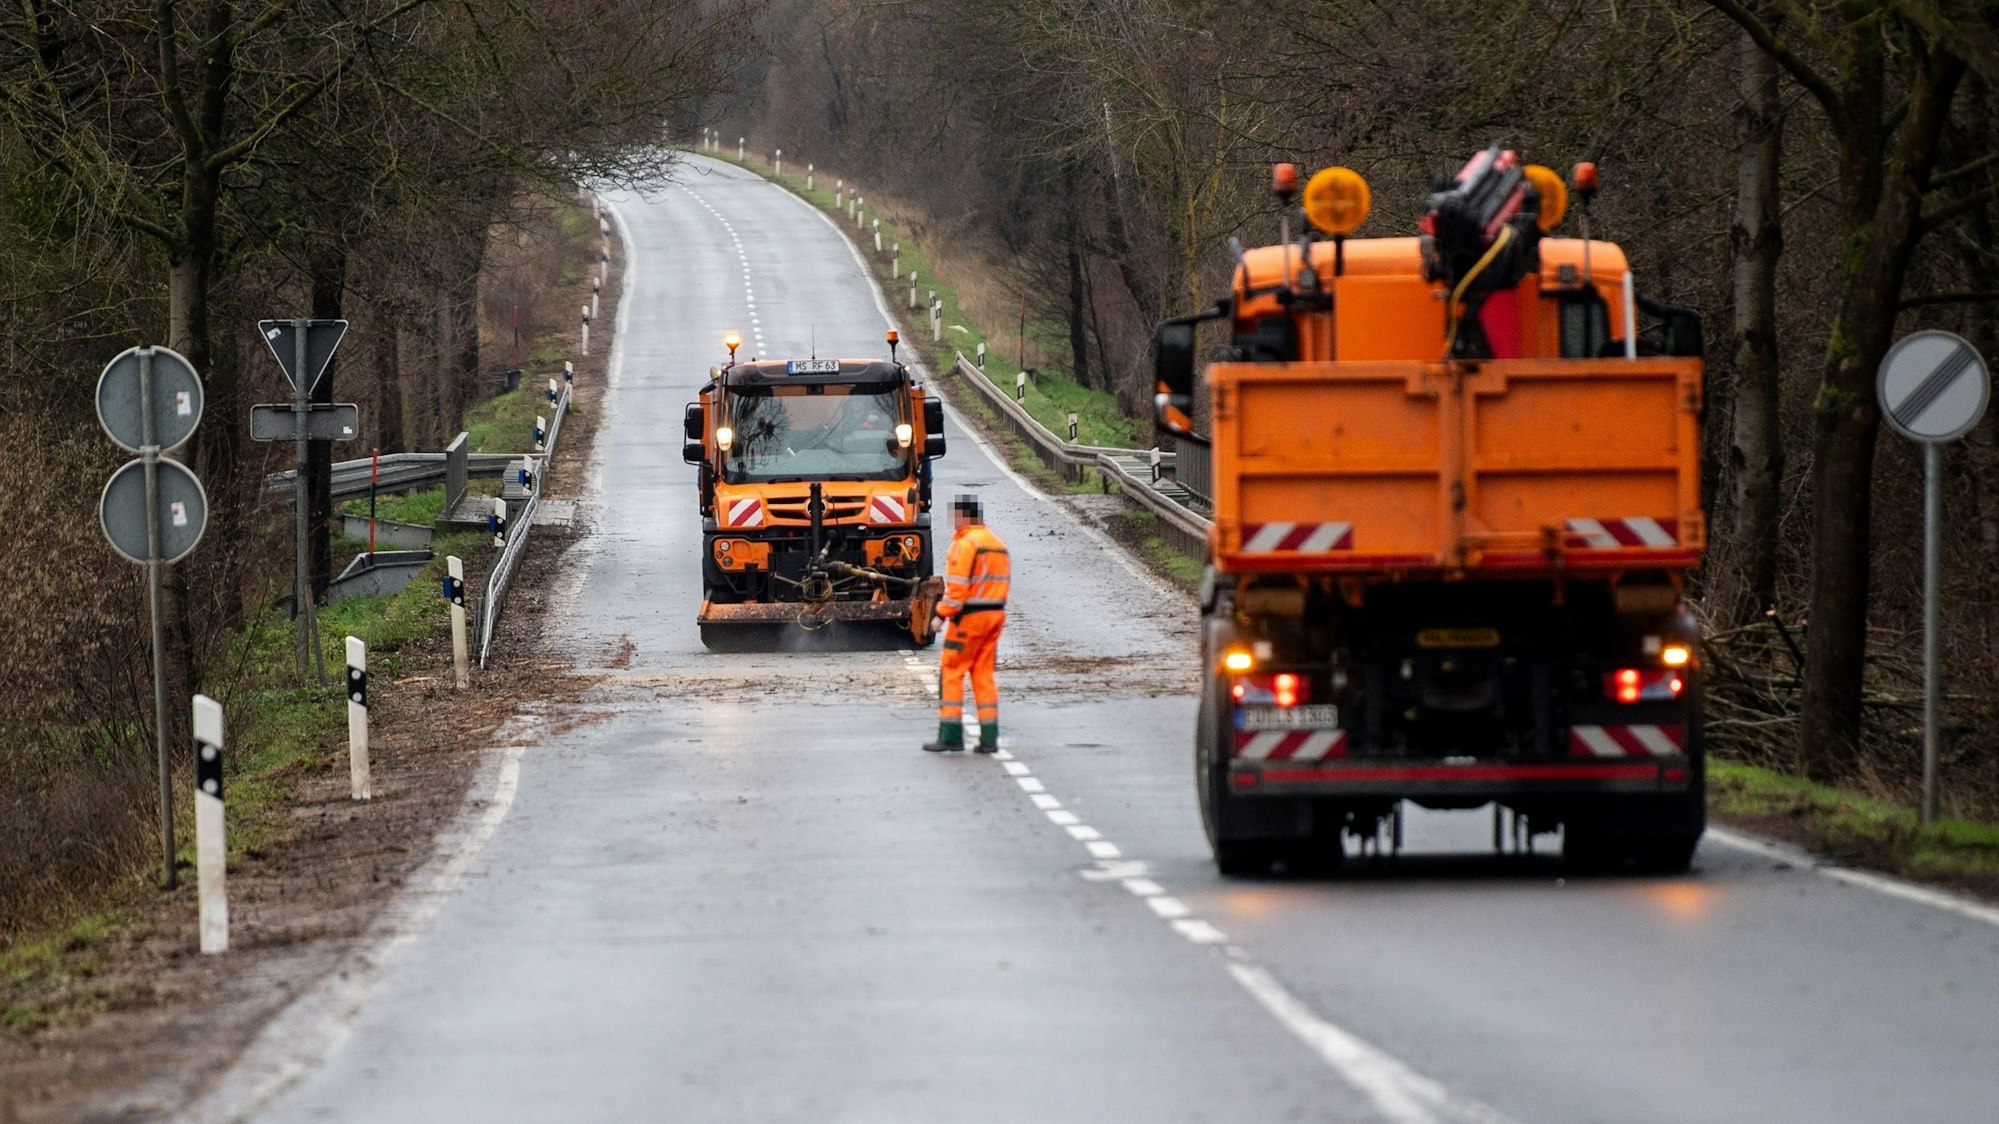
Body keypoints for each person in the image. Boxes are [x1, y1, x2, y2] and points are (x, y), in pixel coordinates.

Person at [923, 495, 1010, 753]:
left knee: (952, 670)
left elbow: (958, 589)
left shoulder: (965, 544)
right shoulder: (997, 543)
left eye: (956, 516)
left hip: (969, 618)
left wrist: (940, 614)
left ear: (965, 517)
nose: (953, 522)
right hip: (995, 616)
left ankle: (950, 735)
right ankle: (989, 738)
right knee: (983, 675)